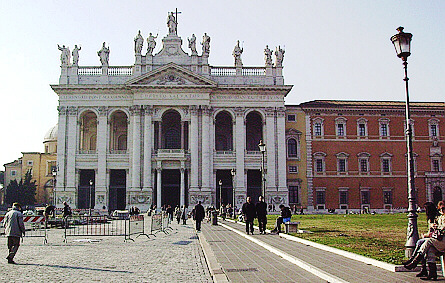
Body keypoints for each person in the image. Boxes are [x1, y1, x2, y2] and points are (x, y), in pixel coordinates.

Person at [404, 201, 445, 280]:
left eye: (444, 208)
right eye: (440, 209)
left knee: (427, 241)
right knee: (430, 250)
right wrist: (435, 227)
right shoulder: (439, 218)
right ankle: (432, 274)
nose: (442, 211)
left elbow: (442, 228)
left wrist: (437, 228)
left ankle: (415, 261)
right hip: (439, 240)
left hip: (443, 241)